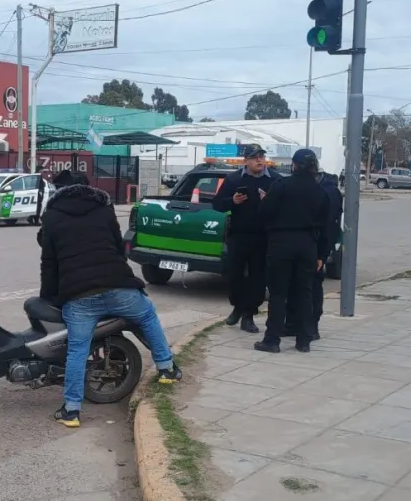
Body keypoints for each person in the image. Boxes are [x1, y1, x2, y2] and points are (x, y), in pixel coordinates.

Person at [39, 172, 182, 428]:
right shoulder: (104, 209)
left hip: (79, 296)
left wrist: (49, 296)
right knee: (147, 315)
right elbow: (118, 248)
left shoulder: (51, 216)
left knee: (77, 349)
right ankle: (167, 369)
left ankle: (71, 411)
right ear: (87, 188)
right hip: (118, 287)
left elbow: (49, 263)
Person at [254, 148, 329, 354]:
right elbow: (325, 226)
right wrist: (321, 254)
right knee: (304, 292)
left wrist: (265, 201)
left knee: (278, 293)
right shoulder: (320, 191)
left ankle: (272, 340)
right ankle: (304, 340)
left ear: (294, 165)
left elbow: (264, 213)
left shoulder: (281, 186)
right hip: (308, 245)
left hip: (282, 243)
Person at [212, 146, 281, 333]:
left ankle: (249, 315)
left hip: (263, 237)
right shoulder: (234, 179)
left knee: (258, 278)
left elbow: (284, 209)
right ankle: (238, 306)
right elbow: (217, 204)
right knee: (234, 275)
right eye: (255, 157)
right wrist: (232, 202)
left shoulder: (275, 179)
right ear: (246, 161)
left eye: (262, 156)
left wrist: (270, 202)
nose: (259, 160)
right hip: (238, 235)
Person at [284, 171, 343, 340]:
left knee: (310, 288)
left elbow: (327, 225)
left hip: (314, 246)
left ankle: (308, 328)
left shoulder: (325, 192)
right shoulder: (327, 189)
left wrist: (322, 254)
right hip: (313, 245)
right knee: (303, 287)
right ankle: (298, 326)